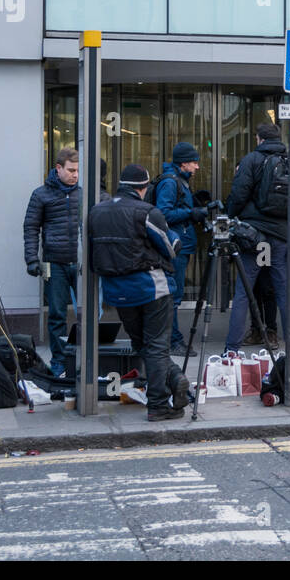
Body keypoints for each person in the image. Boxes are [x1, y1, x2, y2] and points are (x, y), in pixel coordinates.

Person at [87, 164, 190, 422]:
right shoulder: (146, 212)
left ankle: (175, 379)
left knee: (142, 344)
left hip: (116, 291)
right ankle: (158, 404)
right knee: (156, 346)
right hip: (150, 287)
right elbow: (171, 246)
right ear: (143, 188)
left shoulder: (96, 211)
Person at [223, 123, 290, 354]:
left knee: (243, 293)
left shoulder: (251, 160)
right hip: (280, 237)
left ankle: (232, 349)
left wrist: (231, 217)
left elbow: (238, 193)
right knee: (284, 292)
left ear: (259, 139)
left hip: (254, 235)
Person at [23, 146, 81, 377]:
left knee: (86, 314)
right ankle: (59, 360)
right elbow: (30, 227)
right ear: (58, 168)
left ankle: (83, 357)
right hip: (54, 263)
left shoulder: (82, 194)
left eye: (77, 170)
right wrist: (31, 259)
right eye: (70, 170)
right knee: (57, 314)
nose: (75, 175)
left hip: (80, 263)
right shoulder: (41, 194)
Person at [152, 142, 206, 355]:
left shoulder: (179, 181)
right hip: (174, 247)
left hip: (180, 244)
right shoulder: (171, 183)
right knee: (173, 296)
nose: (197, 167)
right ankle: (173, 341)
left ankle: (172, 339)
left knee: (175, 294)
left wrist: (194, 205)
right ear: (183, 163)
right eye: (194, 162)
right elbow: (162, 214)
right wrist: (191, 213)